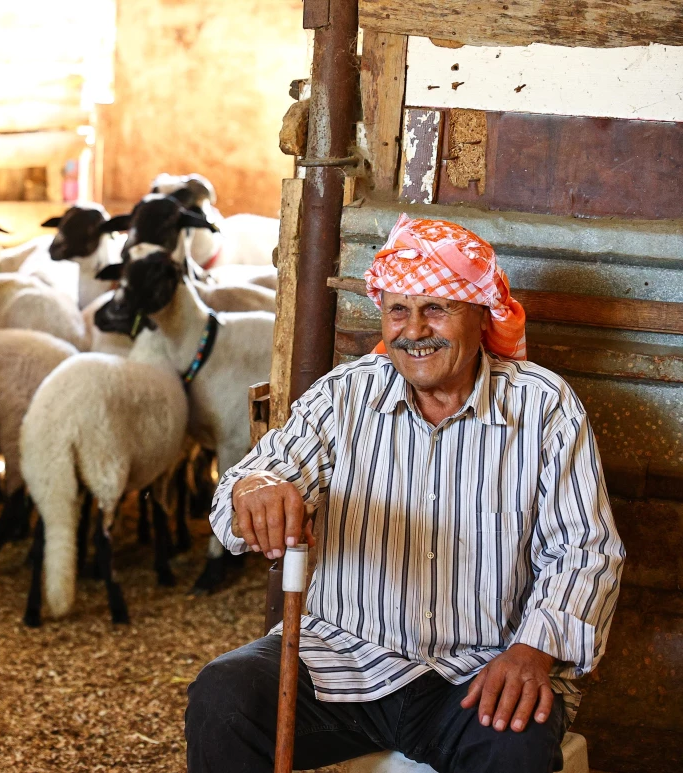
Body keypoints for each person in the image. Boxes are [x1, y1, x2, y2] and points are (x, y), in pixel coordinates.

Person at [185, 214, 624, 773]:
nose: (414, 331)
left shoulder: (543, 408)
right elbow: (251, 485)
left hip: (476, 672)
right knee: (224, 697)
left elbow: (585, 552)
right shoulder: (345, 395)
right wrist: (256, 489)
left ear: (479, 314)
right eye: (399, 310)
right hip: (340, 659)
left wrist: (532, 650)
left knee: (517, 743)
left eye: (436, 307)